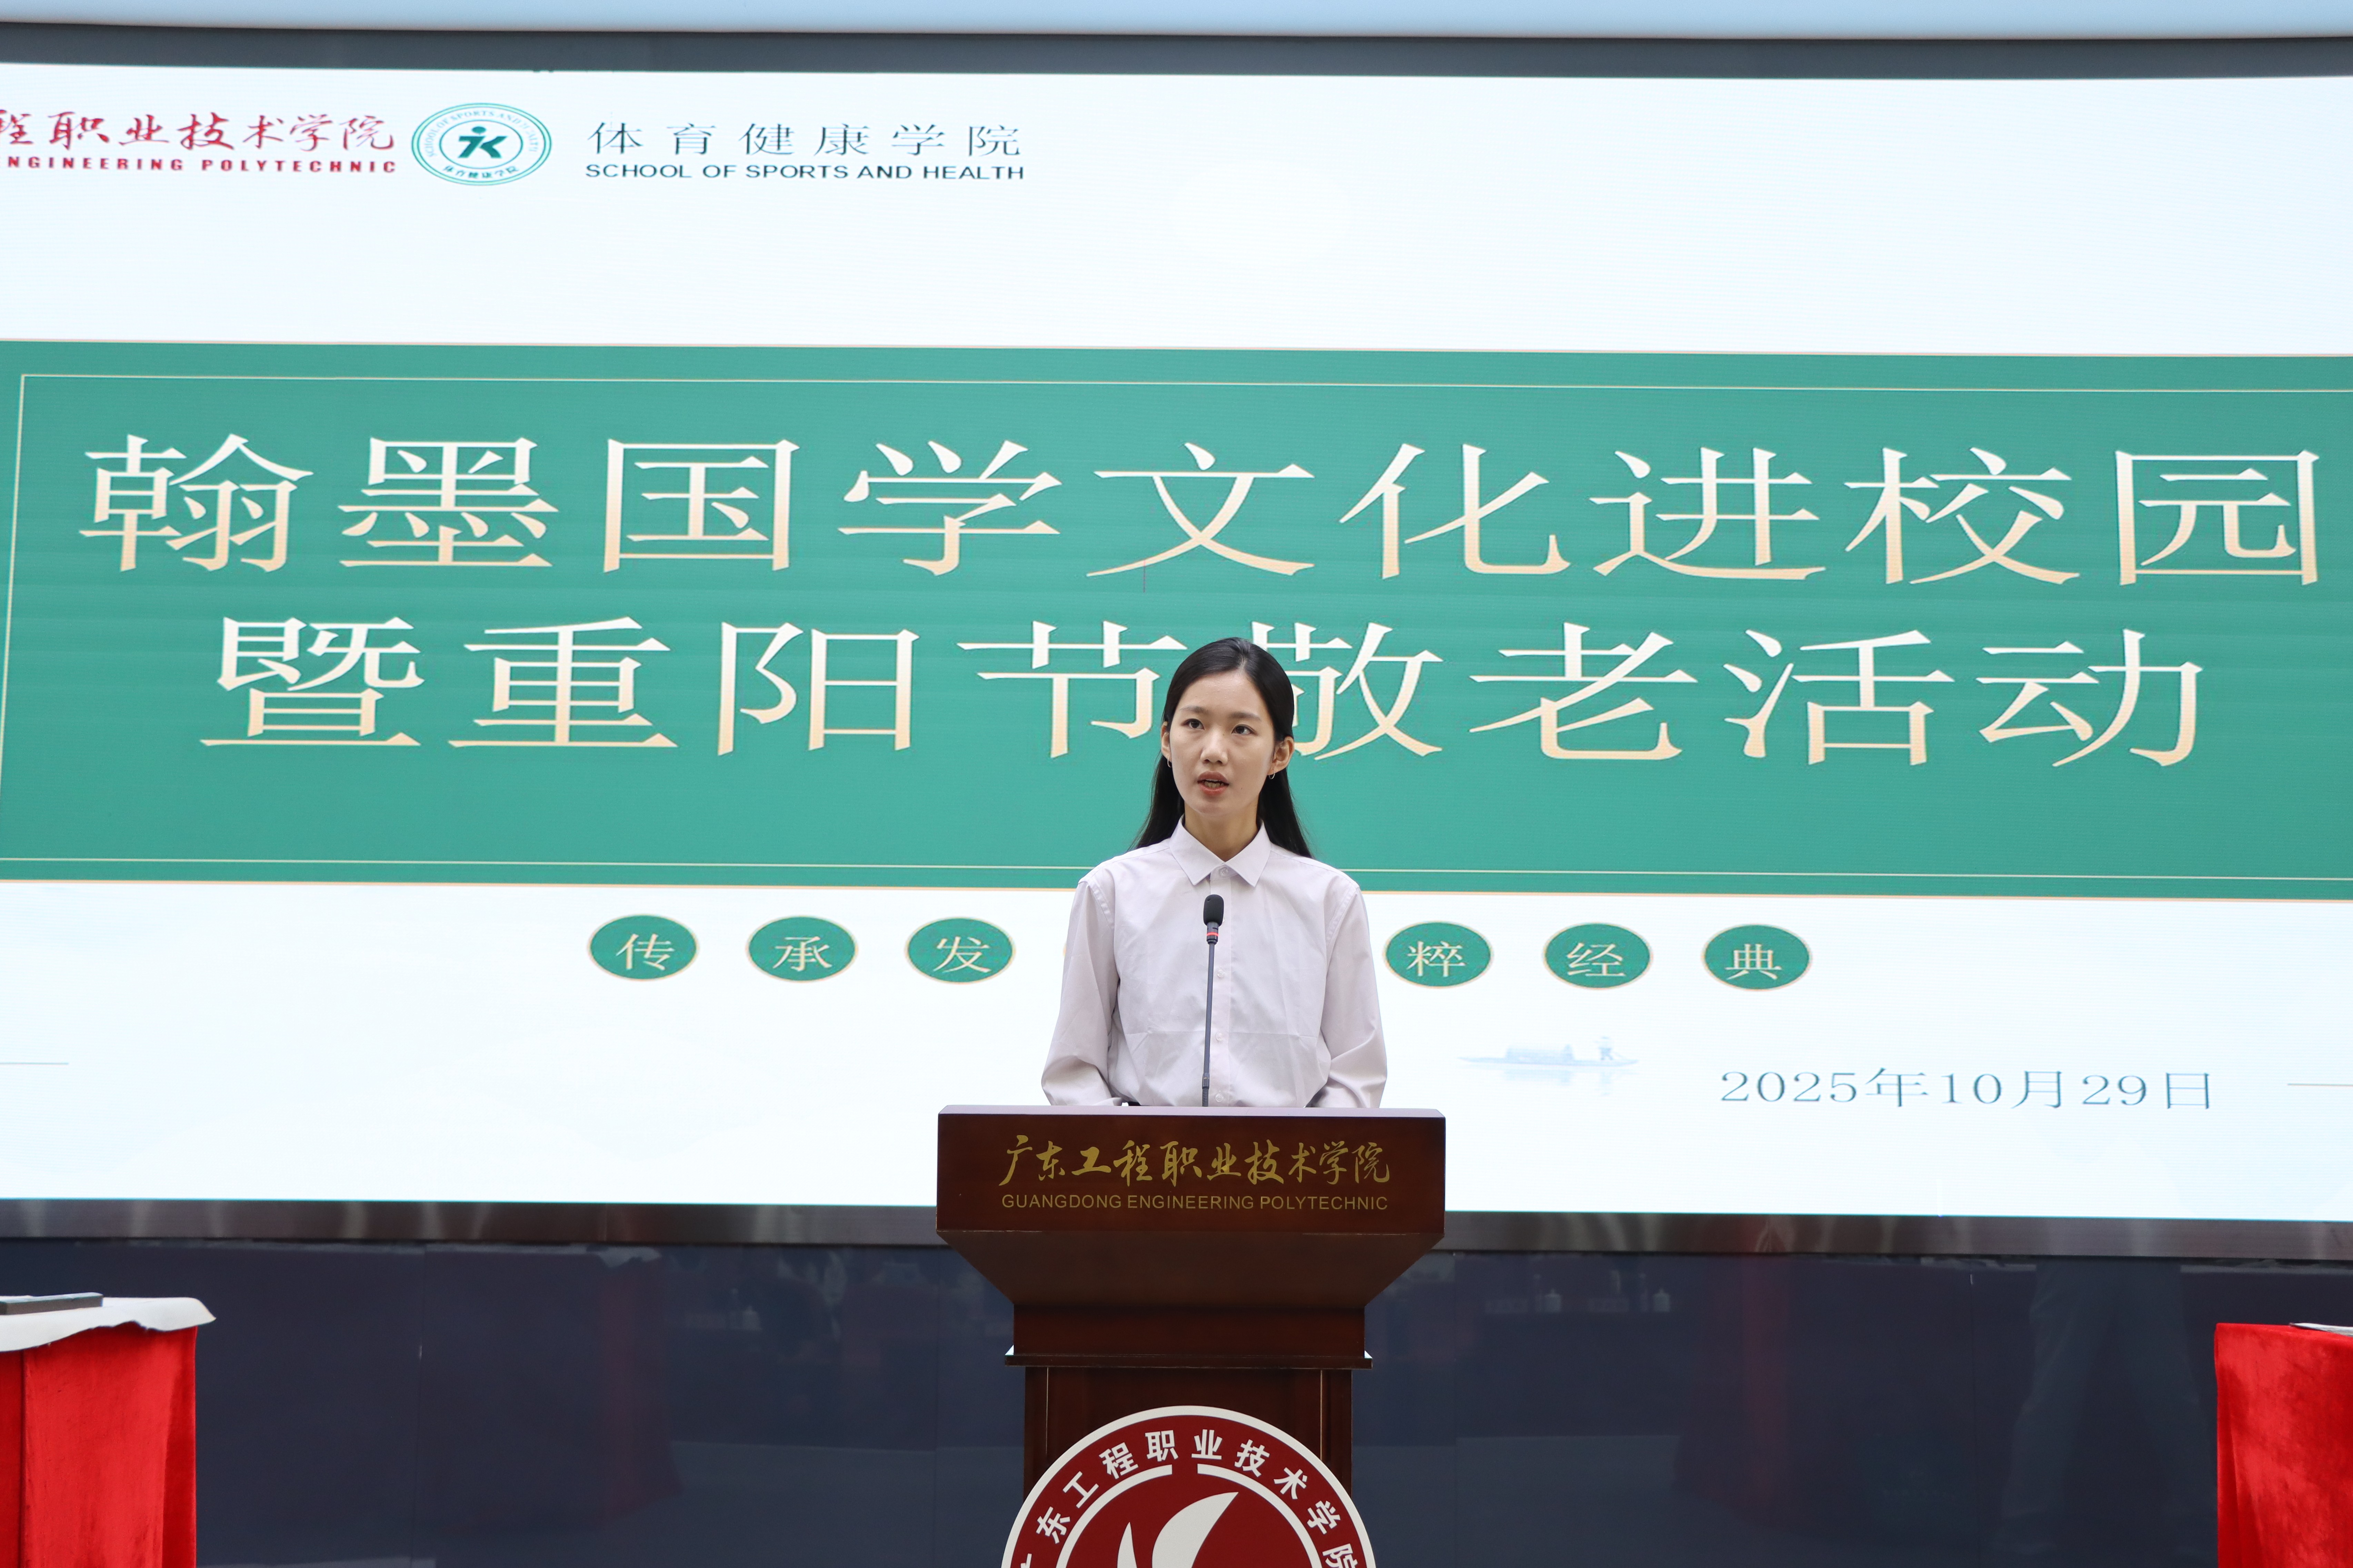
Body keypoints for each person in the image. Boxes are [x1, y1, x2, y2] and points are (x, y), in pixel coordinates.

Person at [1041, 637, 1386, 1108]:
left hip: (1287, 1156)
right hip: (1144, 1156)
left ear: (1281, 754)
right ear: (1167, 739)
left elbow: (1355, 1078)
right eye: (1195, 725)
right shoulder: (1112, 892)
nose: (1214, 751)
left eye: (1242, 730)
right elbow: (1075, 1072)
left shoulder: (1329, 899)